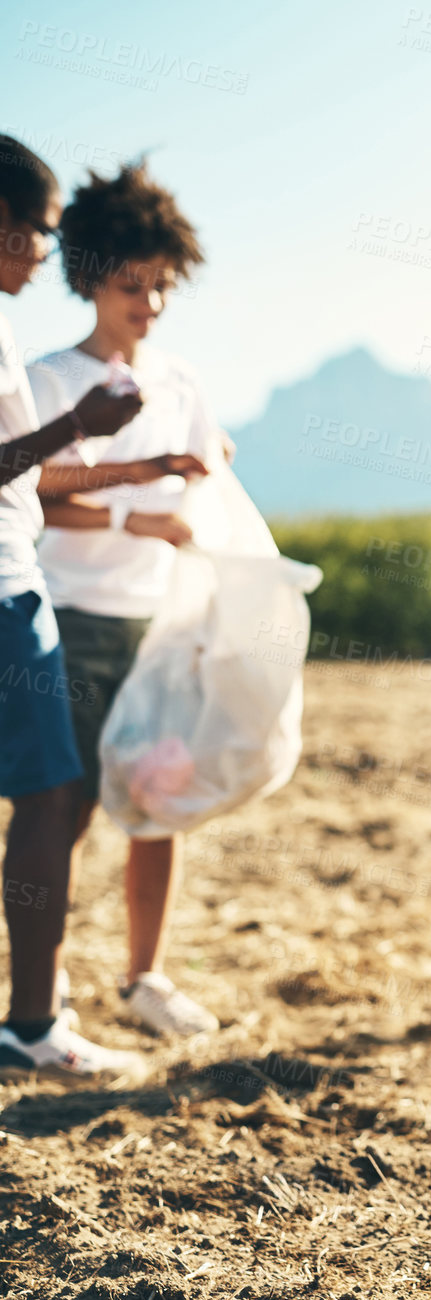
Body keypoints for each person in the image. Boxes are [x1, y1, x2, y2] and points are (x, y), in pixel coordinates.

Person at [29, 160, 222, 1038]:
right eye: (129, 284)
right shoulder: (51, 379)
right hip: (71, 619)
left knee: (159, 798)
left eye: (160, 285)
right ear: (88, 279)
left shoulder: (182, 383)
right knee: (59, 809)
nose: (147, 302)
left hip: (159, 623)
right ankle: (49, 981)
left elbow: (200, 488)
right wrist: (129, 517)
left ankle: (144, 977)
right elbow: (30, 491)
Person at [0, 134, 149, 1080]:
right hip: (7, 593)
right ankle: (31, 1023)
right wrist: (77, 426)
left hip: (17, 579)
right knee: (52, 796)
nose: (47, 252)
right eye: (38, 231)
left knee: (52, 796)